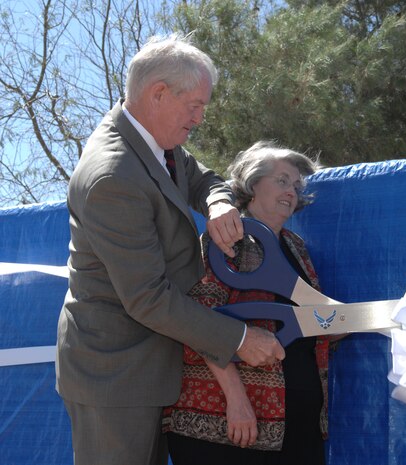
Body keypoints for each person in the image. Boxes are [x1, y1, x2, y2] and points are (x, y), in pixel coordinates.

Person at [55, 34, 285, 465]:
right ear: (158, 93)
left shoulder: (154, 141)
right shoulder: (113, 177)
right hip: (115, 375)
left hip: (147, 365)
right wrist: (239, 339)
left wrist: (218, 203)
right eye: (194, 105)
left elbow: (201, 178)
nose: (199, 119)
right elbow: (147, 298)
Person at [163, 141, 331, 465]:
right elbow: (198, 322)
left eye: (296, 186)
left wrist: (341, 325)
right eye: (282, 180)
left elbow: (308, 327)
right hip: (229, 431)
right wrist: (236, 399)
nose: (292, 192)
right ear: (253, 184)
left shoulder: (297, 249)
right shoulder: (225, 240)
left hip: (297, 429)